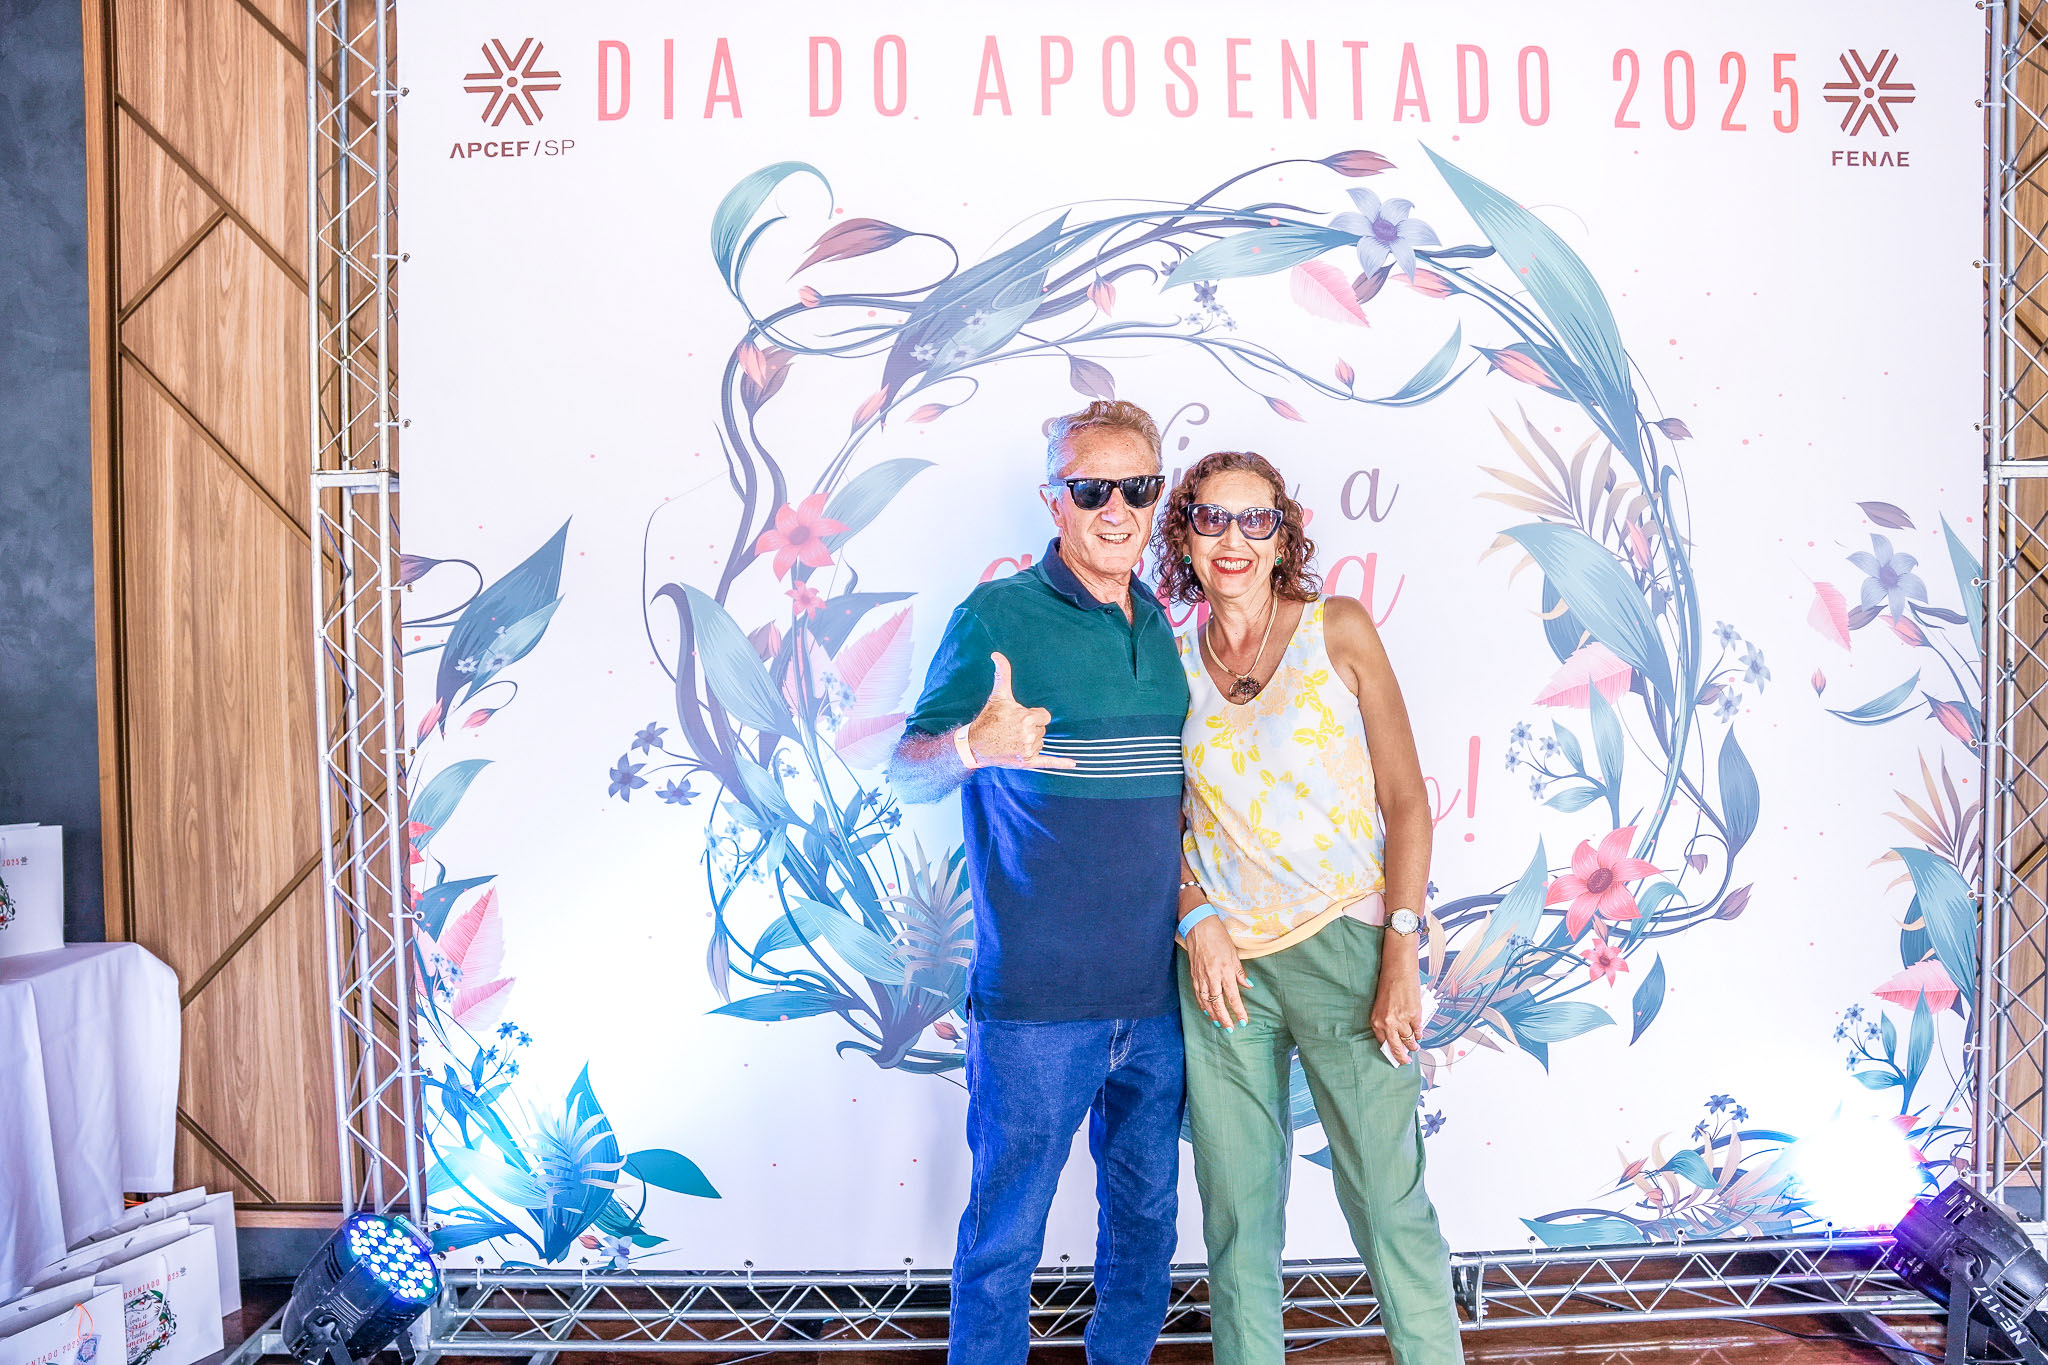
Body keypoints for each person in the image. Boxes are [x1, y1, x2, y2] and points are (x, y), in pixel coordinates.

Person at [889, 399, 1190, 1365]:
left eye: (1137, 487)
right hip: (1035, 1005)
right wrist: (972, 744)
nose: (1117, 509)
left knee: (1145, 1229)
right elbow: (903, 771)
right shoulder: (997, 616)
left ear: (1157, 496)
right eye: (1092, 488)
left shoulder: (1164, 624)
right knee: (1004, 1239)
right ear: (1054, 499)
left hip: (1159, 1001)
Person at [1157, 449, 1464, 1365]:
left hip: (1347, 950)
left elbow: (1407, 800)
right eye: (1212, 517)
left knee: (1386, 1203)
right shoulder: (1169, 660)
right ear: (1184, 535)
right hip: (1224, 972)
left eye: (1256, 519)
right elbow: (1158, 825)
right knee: (1238, 1218)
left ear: (1283, 534)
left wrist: (1401, 951)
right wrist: (1194, 916)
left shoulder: (1340, 628)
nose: (1234, 538)